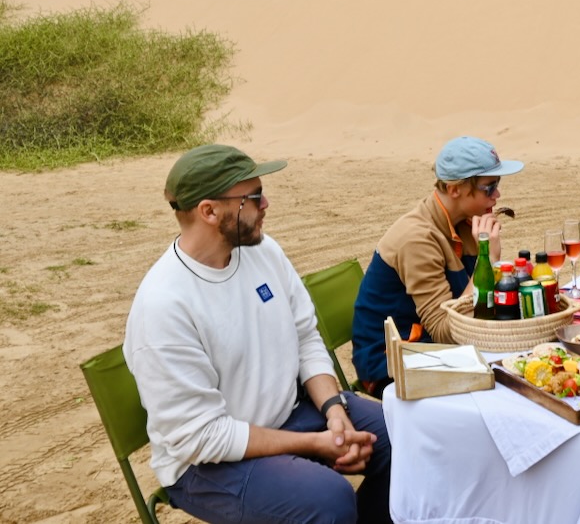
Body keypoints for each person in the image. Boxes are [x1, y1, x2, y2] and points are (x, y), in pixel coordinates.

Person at [123, 144, 391, 524]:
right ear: (209, 211)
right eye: (253, 196)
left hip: (293, 412)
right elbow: (201, 436)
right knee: (327, 499)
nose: (265, 204)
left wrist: (334, 410)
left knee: (408, 439)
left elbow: (305, 337)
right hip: (207, 462)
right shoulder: (164, 305)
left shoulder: (263, 251)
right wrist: (315, 443)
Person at [352, 136, 523, 398]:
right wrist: (487, 260)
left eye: (497, 184)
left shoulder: (466, 222)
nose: (497, 195)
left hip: (437, 351)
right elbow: (445, 331)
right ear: (454, 189)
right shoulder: (416, 239)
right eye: (489, 187)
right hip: (392, 365)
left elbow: (481, 307)